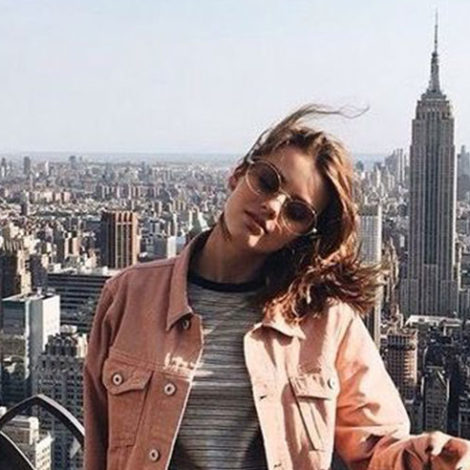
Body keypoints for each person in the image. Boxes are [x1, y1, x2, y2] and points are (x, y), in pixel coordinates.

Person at [83, 105, 470, 470]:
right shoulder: (129, 295)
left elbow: (376, 446)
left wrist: (423, 456)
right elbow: (98, 443)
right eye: (267, 181)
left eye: (296, 211)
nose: (272, 206)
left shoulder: (327, 320)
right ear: (238, 173)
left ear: (303, 235)